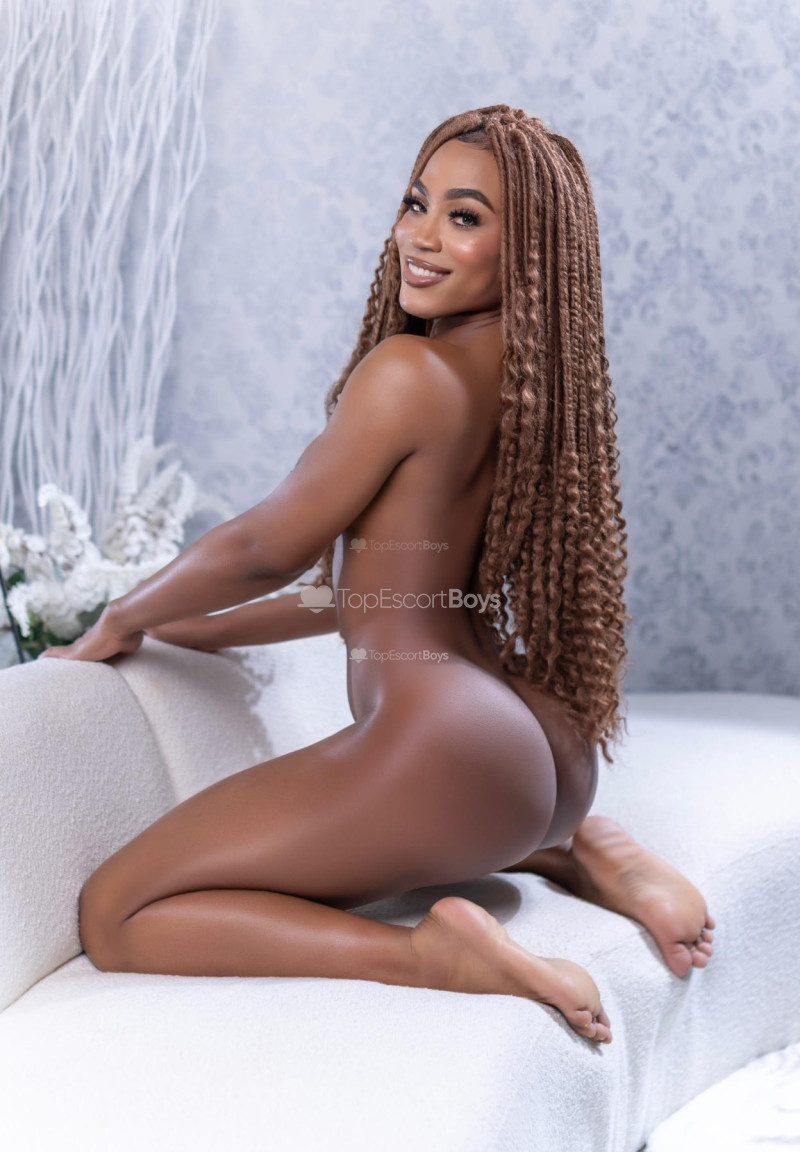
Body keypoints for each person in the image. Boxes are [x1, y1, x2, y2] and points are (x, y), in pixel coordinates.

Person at [40, 105, 714, 1045]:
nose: (420, 236)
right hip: (547, 757)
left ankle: (429, 955)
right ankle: (586, 847)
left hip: (448, 754)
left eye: (464, 217)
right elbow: (382, 592)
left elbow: (265, 546)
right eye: (415, 201)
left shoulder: (408, 373)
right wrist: (185, 624)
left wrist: (122, 615)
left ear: (527, 251)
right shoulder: (529, 388)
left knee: (117, 912)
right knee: (497, 814)